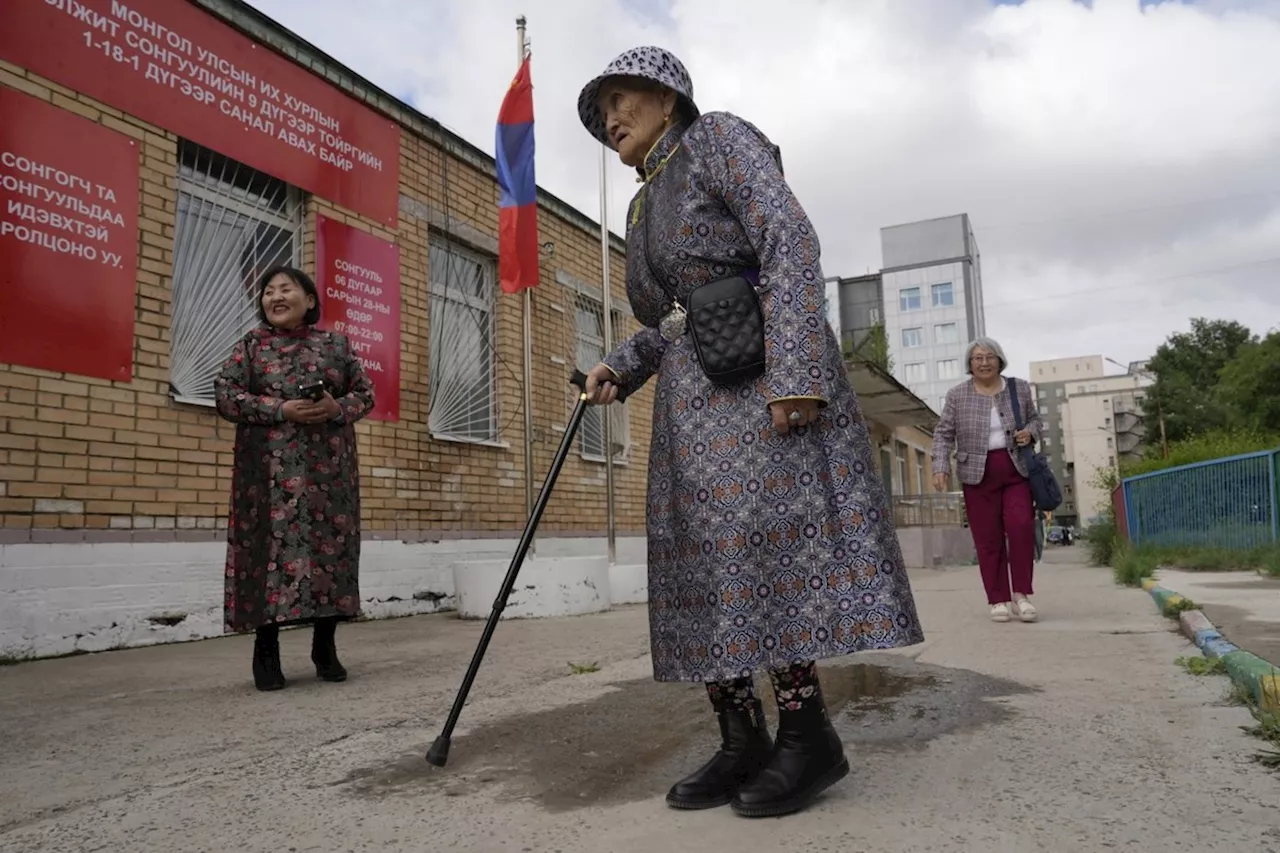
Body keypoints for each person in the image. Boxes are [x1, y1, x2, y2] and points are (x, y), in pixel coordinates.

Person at [576, 46, 924, 818]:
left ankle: (809, 733)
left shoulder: (718, 139)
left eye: (623, 96)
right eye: (602, 110)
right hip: (690, 406)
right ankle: (741, 738)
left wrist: (795, 371)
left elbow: (789, 242)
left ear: (669, 98)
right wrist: (622, 365)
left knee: (761, 552)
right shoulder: (640, 204)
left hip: (759, 382)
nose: (610, 115)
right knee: (700, 562)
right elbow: (669, 320)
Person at [215, 266, 375, 691]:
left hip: (329, 471)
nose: (275, 296)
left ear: (309, 300)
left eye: (286, 289)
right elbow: (226, 395)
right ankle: (265, 650)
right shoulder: (251, 345)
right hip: (266, 473)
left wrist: (335, 408)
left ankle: (325, 647)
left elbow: (365, 392)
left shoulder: (335, 345)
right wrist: (279, 410)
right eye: (268, 291)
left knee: (329, 556)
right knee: (267, 556)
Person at [930, 337, 1042, 623]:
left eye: (989, 356)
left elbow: (1035, 421)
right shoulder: (957, 395)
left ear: (999, 360)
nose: (984, 362)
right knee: (988, 538)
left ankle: (1021, 594)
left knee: (1021, 528)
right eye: (977, 358)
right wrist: (939, 466)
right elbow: (943, 434)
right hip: (976, 475)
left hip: (1016, 469)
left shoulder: (1018, 388)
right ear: (970, 364)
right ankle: (998, 599)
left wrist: (1029, 433)